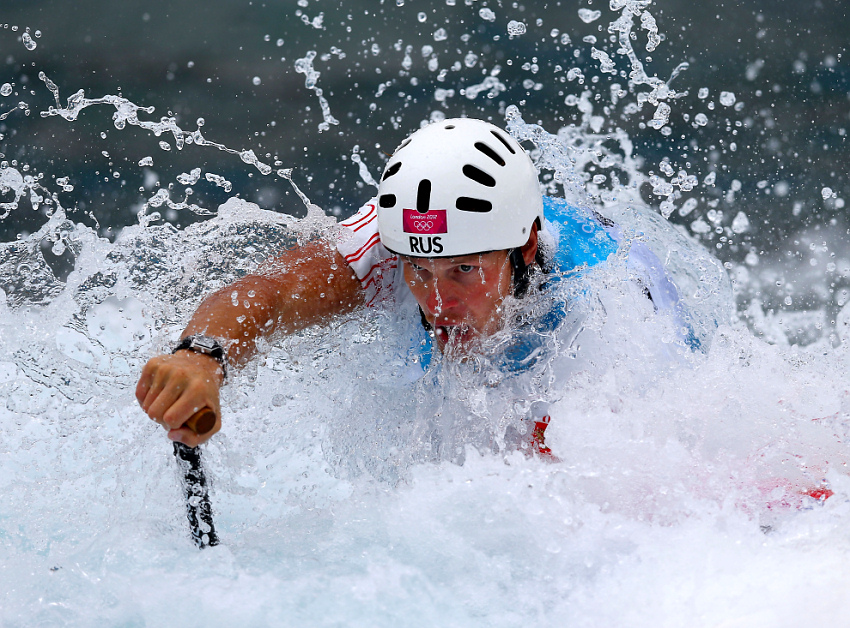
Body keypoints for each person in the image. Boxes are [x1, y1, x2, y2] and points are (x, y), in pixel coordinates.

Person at [136, 118, 687, 451]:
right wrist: (201, 355)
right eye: (418, 273)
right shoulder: (390, 238)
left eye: (464, 271)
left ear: (523, 248)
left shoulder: (609, 295)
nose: (438, 302)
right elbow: (267, 292)